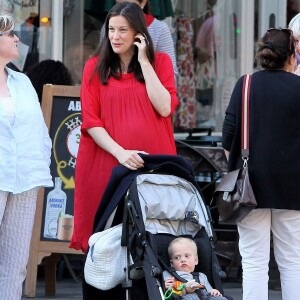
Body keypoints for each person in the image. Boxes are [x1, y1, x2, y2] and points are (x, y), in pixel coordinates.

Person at [69, 2, 178, 298]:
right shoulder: (95, 66)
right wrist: (120, 153)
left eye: (123, 30)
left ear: (138, 34)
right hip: (106, 163)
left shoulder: (161, 63)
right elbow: (91, 122)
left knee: (151, 241)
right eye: (111, 29)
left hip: (151, 166)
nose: (115, 36)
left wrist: (145, 61)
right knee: (105, 244)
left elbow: (165, 107)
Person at [222, 28, 300, 300]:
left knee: (253, 261)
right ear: (292, 56)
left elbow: (228, 134)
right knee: (292, 261)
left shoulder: (245, 85)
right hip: (293, 186)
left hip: (250, 185)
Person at [0, 15, 53, 299]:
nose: (17, 38)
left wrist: (40, 165)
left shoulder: (22, 81)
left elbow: (40, 133)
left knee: (15, 263)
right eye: (10, 34)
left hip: (26, 181)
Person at [115, 0, 178, 75]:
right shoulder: (109, 27)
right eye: (119, 4)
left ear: (143, 2)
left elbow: (171, 71)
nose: (123, 9)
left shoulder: (159, 29)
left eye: (128, 5)